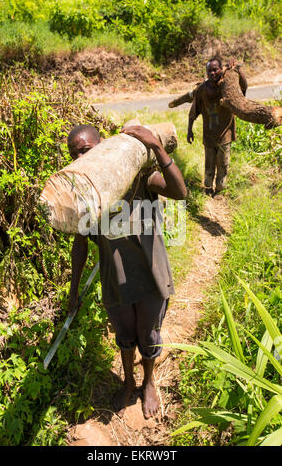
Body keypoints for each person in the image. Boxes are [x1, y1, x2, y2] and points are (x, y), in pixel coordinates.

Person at [66, 124, 187, 419]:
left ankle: (147, 382)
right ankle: (128, 381)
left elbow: (180, 192)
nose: (81, 156)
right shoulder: (86, 194)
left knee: (148, 334)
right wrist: (73, 292)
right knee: (125, 336)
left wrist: (156, 147)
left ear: (103, 145)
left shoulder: (139, 177)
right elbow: (80, 245)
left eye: (86, 148)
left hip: (150, 274)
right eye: (74, 152)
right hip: (115, 279)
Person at [187, 57, 248, 196]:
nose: (212, 73)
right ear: (206, 73)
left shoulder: (228, 85)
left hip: (225, 135)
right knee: (209, 164)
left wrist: (238, 70)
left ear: (221, 69)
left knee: (223, 165)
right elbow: (193, 111)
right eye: (209, 71)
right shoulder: (202, 89)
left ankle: (220, 191)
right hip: (208, 136)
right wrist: (189, 130)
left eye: (215, 69)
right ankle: (208, 188)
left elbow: (244, 87)